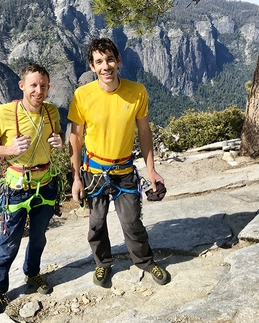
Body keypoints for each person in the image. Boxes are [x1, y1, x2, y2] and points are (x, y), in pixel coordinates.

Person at [67, 38, 171, 287]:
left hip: (124, 170)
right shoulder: (82, 96)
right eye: (99, 61)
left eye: (110, 59)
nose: (106, 66)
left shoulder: (137, 92)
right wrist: (76, 178)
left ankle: (145, 262)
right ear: (92, 67)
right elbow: (75, 138)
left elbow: (144, 132)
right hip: (93, 172)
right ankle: (102, 263)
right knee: (96, 223)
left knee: (132, 221)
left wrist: (152, 170)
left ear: (118, 60)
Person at [0, 63, 65, 317]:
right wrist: (9, 149)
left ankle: (32, 273)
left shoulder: (51, 112)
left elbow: (58, 134)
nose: (39, 90)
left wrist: (59, 140)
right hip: (15, 189)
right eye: (34, 85)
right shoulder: (3, 113)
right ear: (22, 86)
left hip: (45, 185)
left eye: (43, 86)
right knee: (8, 244)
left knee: (38, 238)